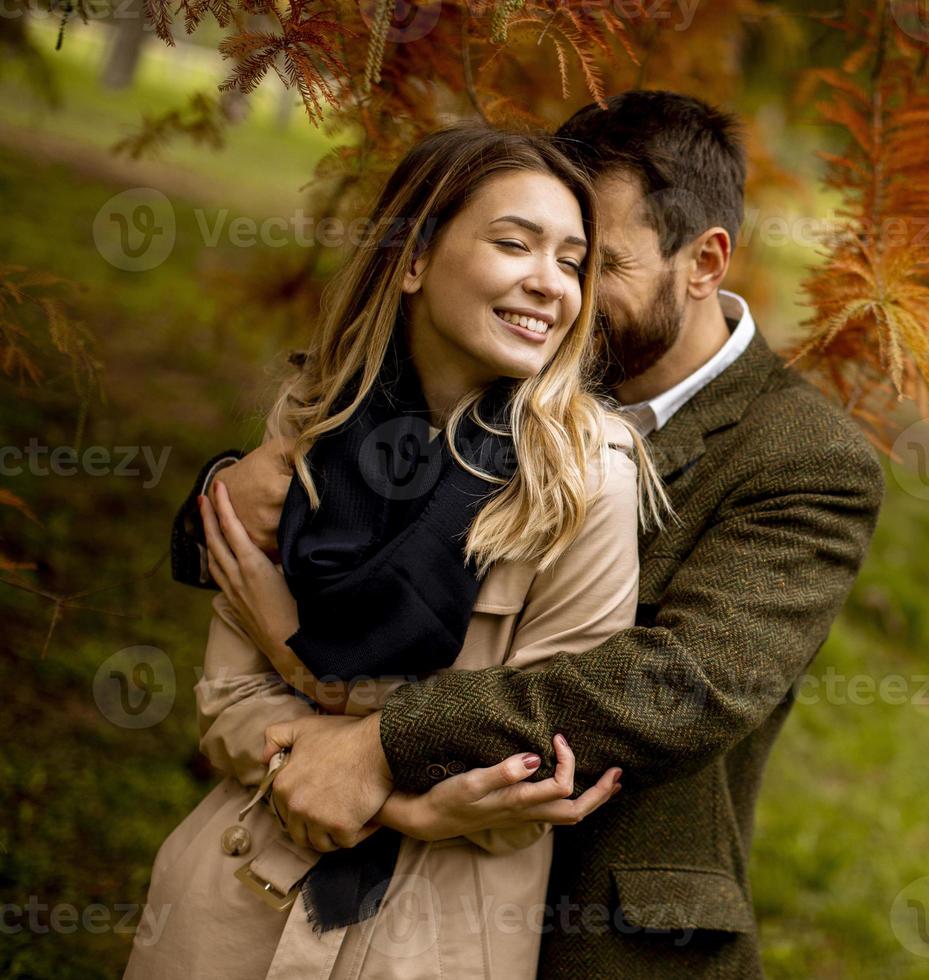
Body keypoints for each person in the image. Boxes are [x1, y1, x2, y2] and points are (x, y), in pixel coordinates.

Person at [175, 91, 886, 976]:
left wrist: (377, 742)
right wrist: (220, 498)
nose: (561, 290)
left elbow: (687, 681)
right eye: (525, 245)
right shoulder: (477, 384)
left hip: (599, 924)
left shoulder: (801, 457)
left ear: (702, 263)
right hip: (340, 880)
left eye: (596, 263)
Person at [128, 124, 656, 979]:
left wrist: (294, 649)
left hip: (431, 939)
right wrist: (410, 805)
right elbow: (226, 705)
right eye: (514, 244)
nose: (548, 284)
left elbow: (553, 756)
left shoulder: (587, 478)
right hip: (231, 905)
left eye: (570, 260)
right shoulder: (312, 421)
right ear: (413, 259)